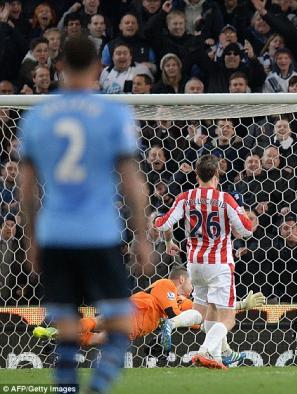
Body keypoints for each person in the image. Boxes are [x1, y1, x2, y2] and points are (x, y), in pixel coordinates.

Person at [18, 36, 152, 393]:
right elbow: (133, 184)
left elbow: (26, 189)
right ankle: (96, 389)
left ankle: (68, 391)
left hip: (56, 234)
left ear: (59, 68)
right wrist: (142, 238)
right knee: (122, 325)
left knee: (66, 330)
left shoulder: (37, 117)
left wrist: (31, 239)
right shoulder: (112, 114)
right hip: (99, 234)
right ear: (97, 68)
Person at [33, 267, 266, 366]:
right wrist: (176, 322)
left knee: (96, 336)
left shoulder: (184, 301)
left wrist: (242, 304)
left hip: (137, 326)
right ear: (181, 279)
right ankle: (60, 331)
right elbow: (172, 313)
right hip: (136, 311)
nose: (193, 289)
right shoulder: (165, 284)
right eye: (191, 283)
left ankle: (61, 334)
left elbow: (207, 317)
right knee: (98, 324)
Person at [153, 154, 253, 370]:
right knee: (228, 319)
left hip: (195, 263)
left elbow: (162, 224)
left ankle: (176, 325)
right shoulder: (225, 199)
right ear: (217, 174)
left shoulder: (185, 197)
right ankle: (204, 351)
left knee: (202, 310)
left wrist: (168, 238)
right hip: (219, 264)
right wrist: (242, 214)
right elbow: (246, 231)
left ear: (196, 174)